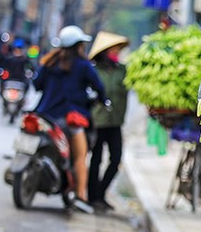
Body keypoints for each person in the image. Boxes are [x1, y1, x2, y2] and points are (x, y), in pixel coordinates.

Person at [33, 25, 107, 213]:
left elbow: (36, 84)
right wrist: (103, 99)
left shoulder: (49, 62)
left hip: (44, 115)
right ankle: (81, 196)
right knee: (80, 157)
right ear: (79, 46)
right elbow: (98, 87)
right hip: (69, 119)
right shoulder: (83, 66)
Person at [87, 31, 130, 211]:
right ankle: (92, 197)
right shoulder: (93, 71)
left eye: (118, 50)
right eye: (113, 50)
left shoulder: (122, 71)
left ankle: (101, 193)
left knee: (116, 159)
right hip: (97, 122)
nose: (116, 53)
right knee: (95, 160)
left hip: (115, 123)